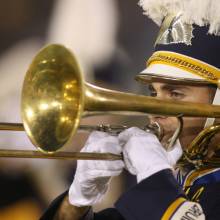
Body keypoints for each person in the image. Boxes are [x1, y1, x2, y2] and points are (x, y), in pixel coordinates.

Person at [40, 0, 220, 219]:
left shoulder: (162, 187)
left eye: (175, 94)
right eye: (154, 93)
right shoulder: (179, 181)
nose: (154, 110)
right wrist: (75, 202)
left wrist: (155, 180)